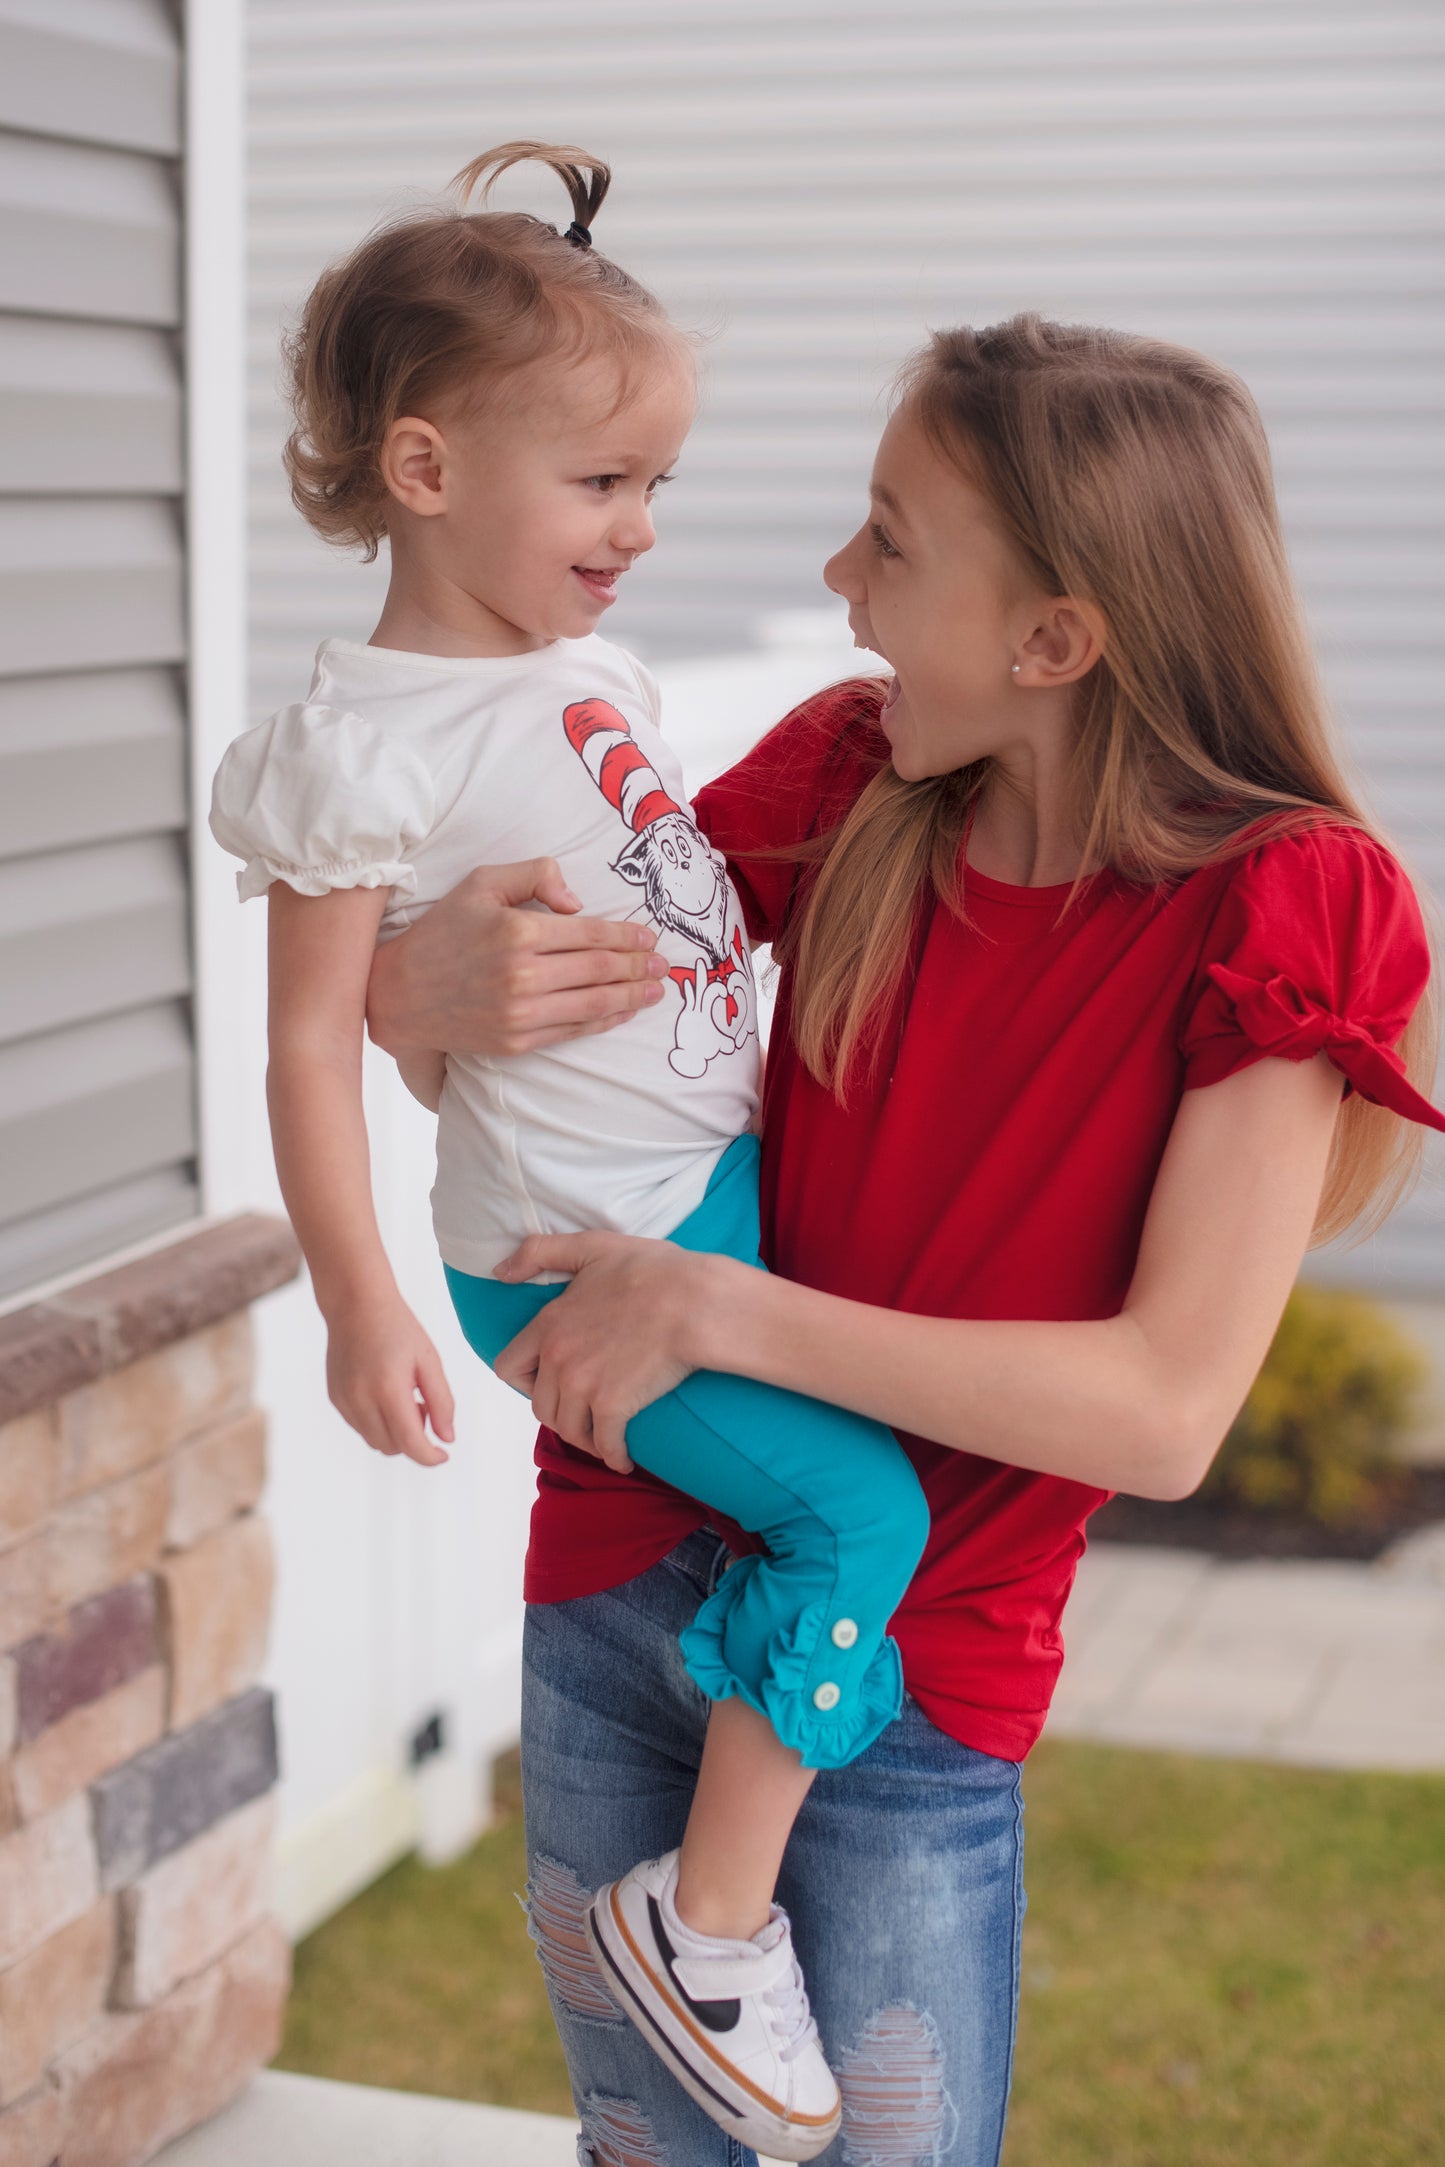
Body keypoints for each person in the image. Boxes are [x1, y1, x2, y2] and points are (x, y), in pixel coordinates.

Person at [365, 313, 1445, 2167]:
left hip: (912, 1673)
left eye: (889, 537)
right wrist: (410, 991)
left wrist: (720, 1305)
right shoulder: (844, 780)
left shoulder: (1287, 902)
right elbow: (539, 1046)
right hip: (617, 1573)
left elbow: (1163, 1413)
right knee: (645, 2148)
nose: (835, 579)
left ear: (1053, 640)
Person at [209, 142, 951, 2163]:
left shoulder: (585, 663)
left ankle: (720, 1851)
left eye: (658, 486)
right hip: (574, 1256)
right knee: (857, 1523)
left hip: (701, 1200)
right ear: (429, 471)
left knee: (860, 1483)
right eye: (604, 484)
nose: (641, 527)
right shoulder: (364, 744)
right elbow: (302, 1043)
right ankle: (703, 1932)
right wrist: (368, 1308)